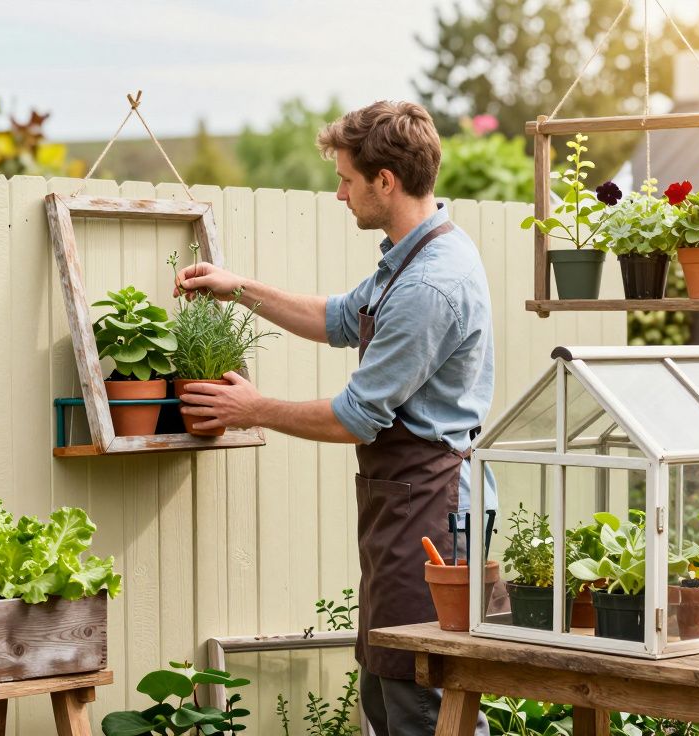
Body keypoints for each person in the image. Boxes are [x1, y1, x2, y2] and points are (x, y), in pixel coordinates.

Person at [175, 100, 494, 736]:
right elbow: (341, 318)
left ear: (386, 181)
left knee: (424, 702)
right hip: (400, 507)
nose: (338, 193)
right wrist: (238, 288)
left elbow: (356, 417)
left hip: (432, 511)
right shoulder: (409, 255)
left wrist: (252, 407)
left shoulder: (432, 285)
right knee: (384, 692)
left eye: (347, 179)